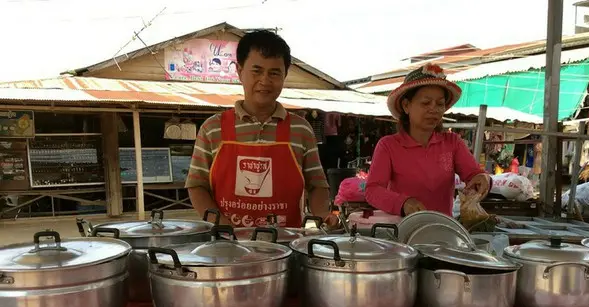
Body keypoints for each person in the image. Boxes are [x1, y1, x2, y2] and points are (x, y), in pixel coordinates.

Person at [185, 30, 336, 228]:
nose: (265, 80)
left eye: (274, 73)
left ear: (284, 76)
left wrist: (324, 214)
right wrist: (220, 224)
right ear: (239, 72)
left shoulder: (301, 129)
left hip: (285, 245)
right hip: (227, 245)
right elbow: (197, 185)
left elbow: (317, 185)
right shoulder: (212, 128)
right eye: (257, 71)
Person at [365, 63, 491, 217]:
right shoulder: (388, 146)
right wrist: (403, 203)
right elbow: (372, 190)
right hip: (403, 231)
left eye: (440, 104)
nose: (434, 109)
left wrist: (483, 179)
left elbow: (474, 174)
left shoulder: (452, 142)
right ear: (406, 106)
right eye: (426, 103)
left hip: (443, 229)